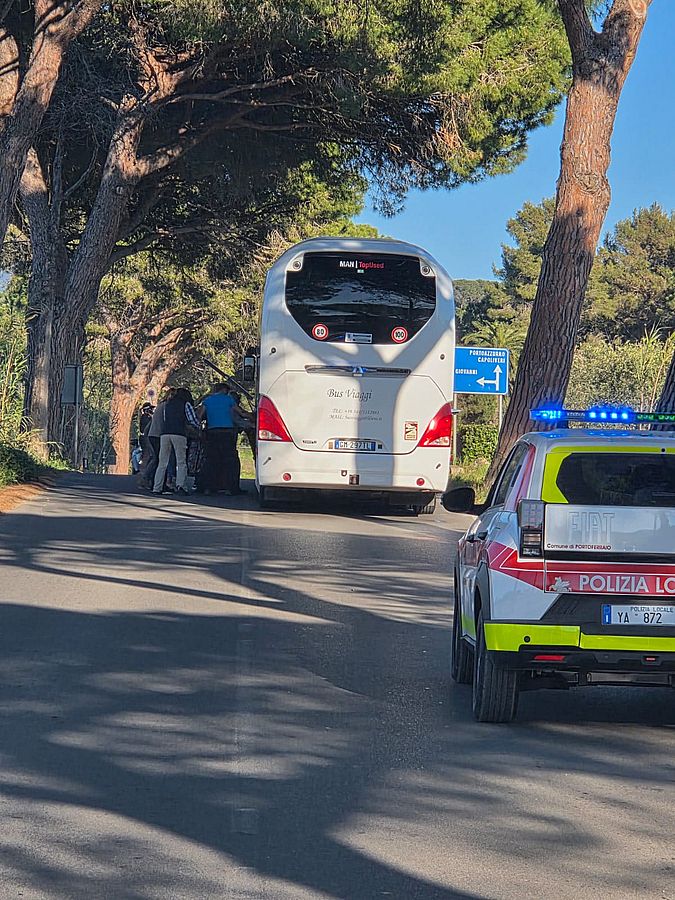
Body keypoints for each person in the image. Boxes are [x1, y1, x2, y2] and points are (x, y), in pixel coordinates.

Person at [197, 383, 250, 495]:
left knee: (211, 460)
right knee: (230, 461)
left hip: (212, 432)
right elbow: (241, 412)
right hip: (227, 432)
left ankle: (208, 487)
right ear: (224, 389)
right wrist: (252, 417)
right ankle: (231, 488)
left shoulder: (208, 401)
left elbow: (199, 415)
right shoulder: (229, 400)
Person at [152, 388, 199, 495]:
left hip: (165, 433)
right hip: (179, 433)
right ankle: (181, 486)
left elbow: (164, 419)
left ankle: (157, 487)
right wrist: (198, 426)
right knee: (181, 461)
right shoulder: (185, 404)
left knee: (162, 462)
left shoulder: (167, 404)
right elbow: (192, 419)